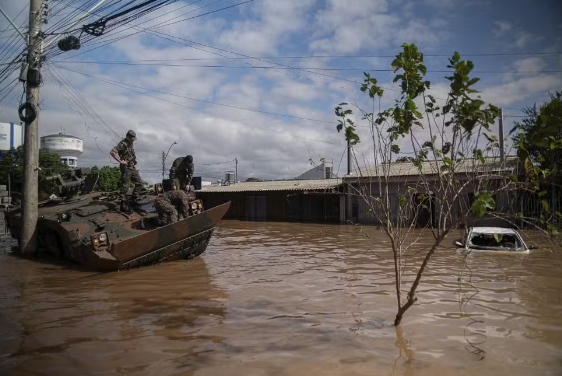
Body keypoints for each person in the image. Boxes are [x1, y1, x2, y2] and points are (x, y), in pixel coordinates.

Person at [110, 130, 143, 211]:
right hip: (126, 168)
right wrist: (120, 161)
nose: (133, 140)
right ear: (127, 137)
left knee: (140, 183)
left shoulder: (130, 144)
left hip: (132, 167)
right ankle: (123, 204)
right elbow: (112, 152)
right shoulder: (123, 144)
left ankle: (133, 200)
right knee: (125, 187)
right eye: (131, 138)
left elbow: (131, 154)